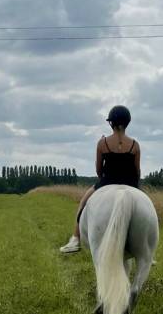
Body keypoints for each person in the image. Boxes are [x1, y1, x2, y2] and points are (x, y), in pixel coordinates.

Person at [59, 104, 141, 254]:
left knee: (83, 203)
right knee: (146, 206)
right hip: (131, 184)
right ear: (127, 122)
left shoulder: (102, 143)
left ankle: (75, 239)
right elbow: (137, 171)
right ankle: (146, 250)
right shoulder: (135, 145)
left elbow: (98, 170)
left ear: (111, 123)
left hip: (106, 182)